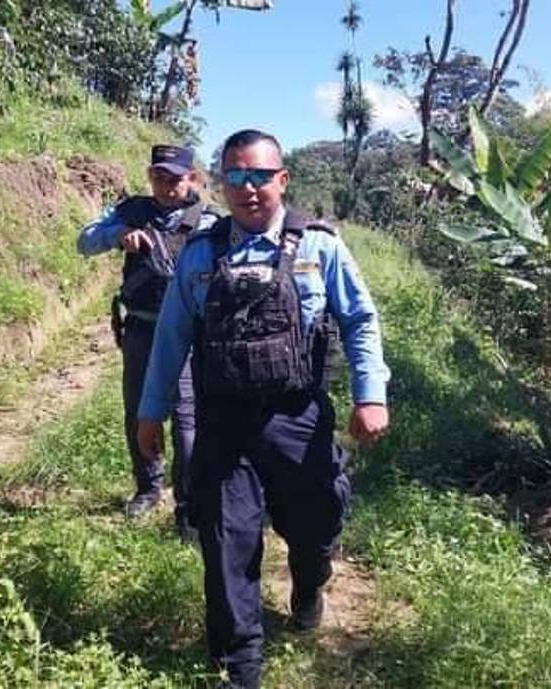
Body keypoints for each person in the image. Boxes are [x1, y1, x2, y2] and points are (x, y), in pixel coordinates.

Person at [136, 129, 390, 689]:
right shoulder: (201, 253)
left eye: (259, 176)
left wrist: (370, 393)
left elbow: (359, 321)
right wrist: (151, 411)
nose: (248, 189)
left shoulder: (321, 246)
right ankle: (238, 667)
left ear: (282, 179)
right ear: (222, 183)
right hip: (224, 422)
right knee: (227, 541)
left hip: (297, 417)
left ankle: (309, 579)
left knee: (316, 521)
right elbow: (172, 336)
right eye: (235, 177)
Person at [77, 144, 219, 532]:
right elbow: (84, 241)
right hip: (141, 326)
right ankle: (147, 488)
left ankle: (187, 504)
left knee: (187, 418)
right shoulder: (132, 211)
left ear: (192, 179)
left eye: (174, 178)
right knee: (139, 412)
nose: (165, 185)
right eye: (158, 176)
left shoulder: (208, 221)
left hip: (189, 335)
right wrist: (119, 234)